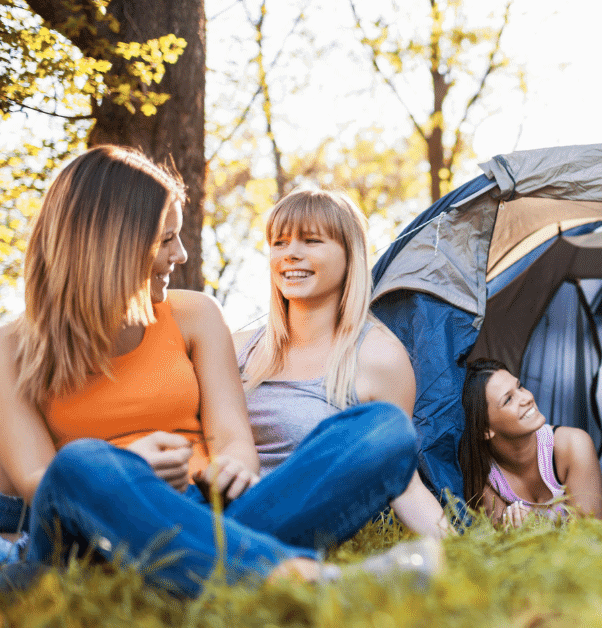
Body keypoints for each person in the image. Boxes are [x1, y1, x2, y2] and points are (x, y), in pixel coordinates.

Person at [0, 146, 439, 597]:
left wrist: (230, 469)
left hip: (209, 512)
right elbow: (39, 480)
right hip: (89, 534)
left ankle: (179, 581)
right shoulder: (11, 346)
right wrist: (130, 467)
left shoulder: (196, 315)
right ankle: (303, 582)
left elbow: (232, 440)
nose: (183, 254)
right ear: (114, 244)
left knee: (384, 430)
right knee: (80, 462)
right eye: (166, 238)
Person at [236, 188, 450, 539]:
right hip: (217, 509)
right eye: (279, 242)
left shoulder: (380, 357)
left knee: (387, 427)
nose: (291, 254)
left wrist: (458, 556)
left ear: (350, 255)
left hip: (292, 526)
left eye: (311, 241)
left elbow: (402, 477)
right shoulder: (237, 348)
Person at [459, 359, 602, 527]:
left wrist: (537, 524)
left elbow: (592, 533)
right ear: (484, 430)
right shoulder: (485, 476)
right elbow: (500, 541)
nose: (527, 398)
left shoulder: (573, 445)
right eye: (508, 399)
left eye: (520, 386)